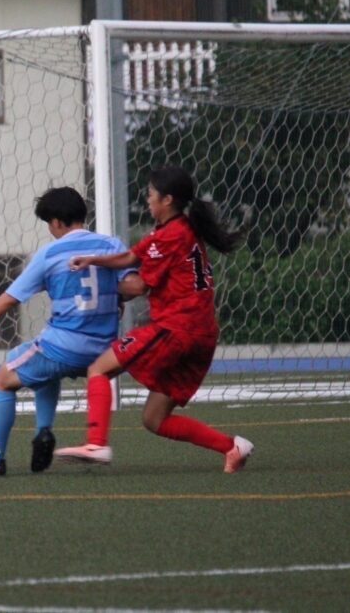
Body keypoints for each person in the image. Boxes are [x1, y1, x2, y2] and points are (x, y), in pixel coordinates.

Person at [54, 165, 254, 474]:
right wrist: (94, 260)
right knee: (154, 419)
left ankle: (95, 443)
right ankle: (232, 447)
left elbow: (139, 286)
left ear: (167, 200)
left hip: (177, 329)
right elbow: (130, 258)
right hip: (201, 335)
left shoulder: (170, 235)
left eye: (151, 194)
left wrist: (104, 290)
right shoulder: (180, 230)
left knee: (99, 368)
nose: (147, 200)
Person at [0, 186, 142, 474]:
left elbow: (12, 297)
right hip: (104, 354)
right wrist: (112, 296)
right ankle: (43, 431)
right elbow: (133, 287)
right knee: (40, 364)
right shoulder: (112, 245)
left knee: (4, 377)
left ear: (55, 222)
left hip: (64, 347)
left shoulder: (51, 253)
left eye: (48, 224)